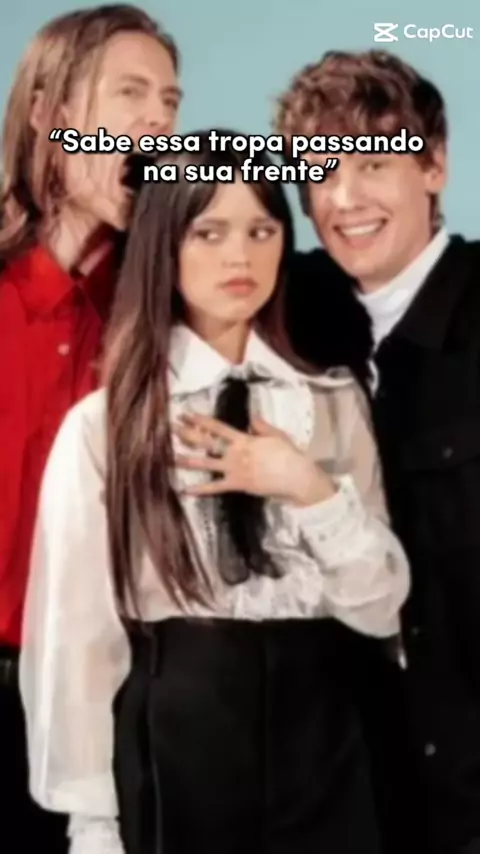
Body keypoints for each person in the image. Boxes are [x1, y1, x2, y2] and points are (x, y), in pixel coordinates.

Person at [19, 136, 409, 854]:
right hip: (178, 738)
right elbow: (76, 643)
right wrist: (92, 822)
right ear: (164, 244)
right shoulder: (105, 429)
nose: (241, 257)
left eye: (262, 231)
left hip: (326, 740)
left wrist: (309, 489)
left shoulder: (333, 402)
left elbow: (381, 606)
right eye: (210, 232)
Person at [275, 49, 480, 854]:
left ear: (434, 166)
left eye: (372, 164)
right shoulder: (291, 318)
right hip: (367, 800)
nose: (345, 197)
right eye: (322, 172)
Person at [0, 6, 181, 852]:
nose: (157, 121)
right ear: (50, 115)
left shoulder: (176, 316)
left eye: (170, 102)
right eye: (130, 93)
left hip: (109, 717)